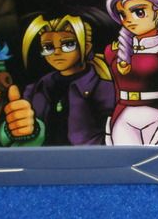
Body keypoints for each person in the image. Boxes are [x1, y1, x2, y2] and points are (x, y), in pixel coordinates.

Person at [21, 15, 115, 145]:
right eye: (48, 47)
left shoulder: (102, 88)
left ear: (86, 47)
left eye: (68, 45)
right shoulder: (38, 87)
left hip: (88, 154)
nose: (57, 53)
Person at [104, 0, 158, 146]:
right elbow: (113, 88)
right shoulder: (113, 51)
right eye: (123, 14)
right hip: (123, 116)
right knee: (126, 158)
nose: (129, 20)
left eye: (139, 12)